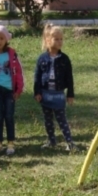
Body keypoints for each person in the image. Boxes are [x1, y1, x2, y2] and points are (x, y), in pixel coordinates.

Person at [33, 24, 75, 152]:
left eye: (61, 39)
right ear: (47, 40)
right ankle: (52, 140)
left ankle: (69, 142)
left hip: (58, 94)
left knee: (61, 118)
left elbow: (69, 78)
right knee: (48, 119)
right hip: (45, 93)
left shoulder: (64, 59)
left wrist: (70, 94)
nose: (59, 41)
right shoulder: (42, 59)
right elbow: (37, 76)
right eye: (56, 39)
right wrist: (37, 92)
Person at [0, 25, 23, 155]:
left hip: (9, 91)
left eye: (1, 38)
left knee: (9, 116)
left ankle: (11, 143)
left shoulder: (12, 54)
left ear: (6, 39)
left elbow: (18, 72)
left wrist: (18, 90)